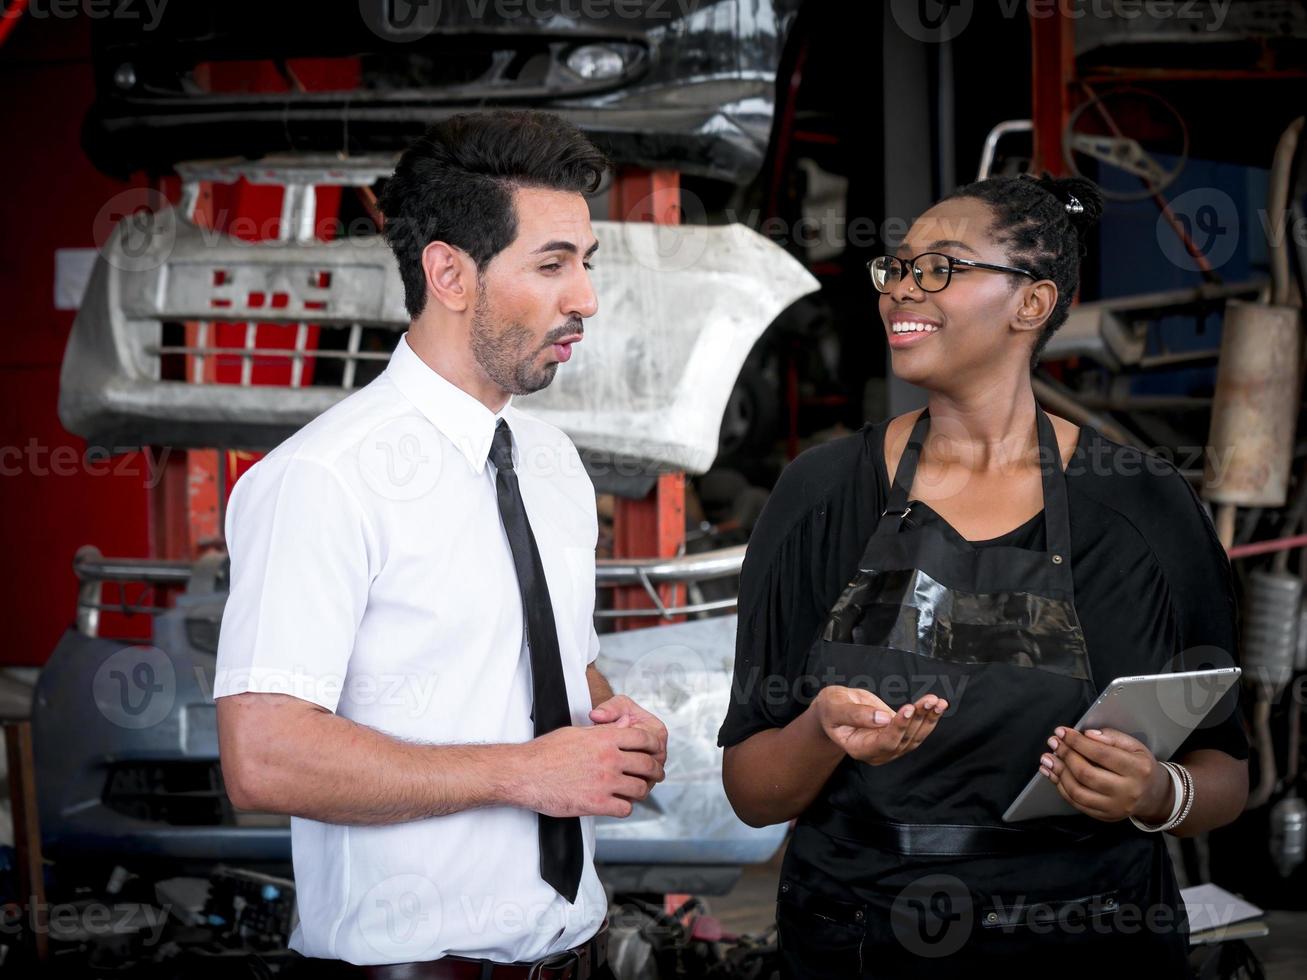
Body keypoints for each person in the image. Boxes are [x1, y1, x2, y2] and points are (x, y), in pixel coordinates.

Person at [718, 174, 1249, 977]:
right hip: (859, 936)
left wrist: (1154, 794)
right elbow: (754, 793)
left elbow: (1225, 774)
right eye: (895, 268)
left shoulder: (1141, 503)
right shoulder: (822, 493)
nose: (902, 288)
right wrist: (817, 732)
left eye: (939, 268)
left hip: (1088, 936)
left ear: (1030, 304)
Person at [213, 110, 667, 978]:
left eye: (586, 263)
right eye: (552, 264)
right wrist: (522, 774)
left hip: (572, 953)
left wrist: (611, 720)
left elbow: (553, 658)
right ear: (449, 273)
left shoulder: (553, 463)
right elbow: (264, 757)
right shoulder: (322, 477)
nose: (585, 299)